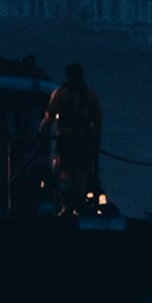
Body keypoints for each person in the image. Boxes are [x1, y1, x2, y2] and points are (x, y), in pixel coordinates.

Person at [41, 62, 103, 213]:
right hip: (84, 141)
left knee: (65, 171)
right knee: (82, 171)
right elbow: (98, 119)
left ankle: (67, 205)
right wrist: (95, 140)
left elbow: (49, 115)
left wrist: (42, 132)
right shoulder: (90, 94)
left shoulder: (61, 93)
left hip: (67, 140)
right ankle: (79, 203)